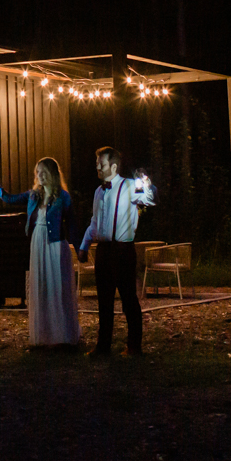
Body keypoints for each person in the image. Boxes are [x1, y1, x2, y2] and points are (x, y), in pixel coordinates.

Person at [0, 157, 80, 348]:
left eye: (43, 172)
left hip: (56, 244)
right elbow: (10, 198)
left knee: (56, 286)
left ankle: (62, 335)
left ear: (52, 174)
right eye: (37, 172)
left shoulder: (63, 197)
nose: (39, 176)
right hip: (38, 242)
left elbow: (72, 223)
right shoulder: (33, 195)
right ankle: (44, 335)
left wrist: (79, 247)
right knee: (41, 285)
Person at [78, 146, 157, 356]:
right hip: (103, 250)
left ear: (113, 166)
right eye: (96, 163)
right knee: (104, 301)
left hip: (123, 250)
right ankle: (102, 347)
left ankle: (134, 347)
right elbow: (94, 222)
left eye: (100, 163)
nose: (97, 167)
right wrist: (84, 245)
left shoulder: (130, 186)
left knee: (128, 299)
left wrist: (146, 182)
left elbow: (149, 199)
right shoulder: (98, 191)